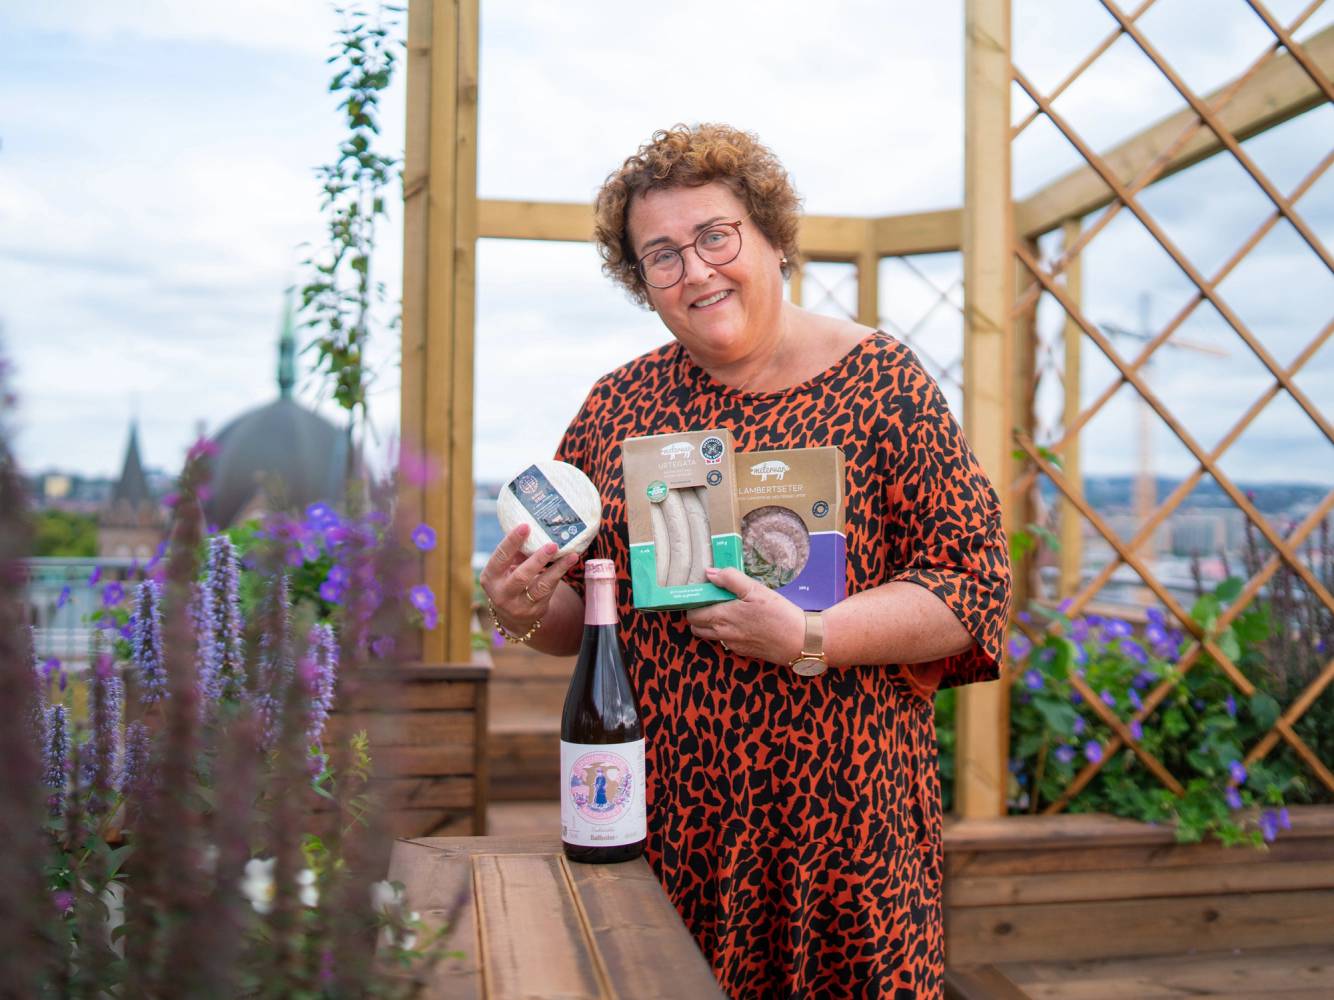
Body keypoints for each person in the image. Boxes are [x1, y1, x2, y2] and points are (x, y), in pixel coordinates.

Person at [480, 123, 1011, 998]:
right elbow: (581, 614)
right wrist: (517, 606)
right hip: (671, 832)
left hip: (846, 836)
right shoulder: (617, 406)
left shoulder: (883, 382)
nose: (695, 270)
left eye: (715, 236)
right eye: (660, 255)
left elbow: (971, 587)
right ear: (639, 280)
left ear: (771, 237)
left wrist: (810, 635)